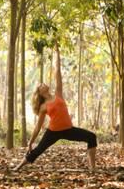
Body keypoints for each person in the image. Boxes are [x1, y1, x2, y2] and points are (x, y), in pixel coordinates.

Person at [13, 43, 97, 172]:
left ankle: (92, 168)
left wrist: (57, 54)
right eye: (40, 84)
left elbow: (58, 75)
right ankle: (19, 166)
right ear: (40, 92)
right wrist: (30, 142)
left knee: (91, 137)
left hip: (68, 129)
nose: (43, 84)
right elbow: (37, 127)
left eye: (43, 83)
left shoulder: (58, 94)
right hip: (53, 132)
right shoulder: (43, 106)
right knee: (39, 150)